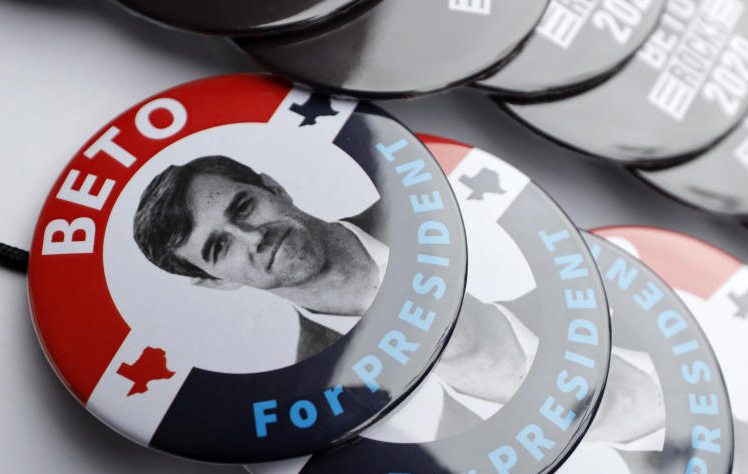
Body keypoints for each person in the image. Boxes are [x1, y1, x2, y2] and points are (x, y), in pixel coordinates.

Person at [134, 154, 531, 402]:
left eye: (244, 207)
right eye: (219, 248)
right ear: (215, 282)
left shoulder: (430, 203)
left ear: (275, 189)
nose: (254, 238)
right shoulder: (320, 387)